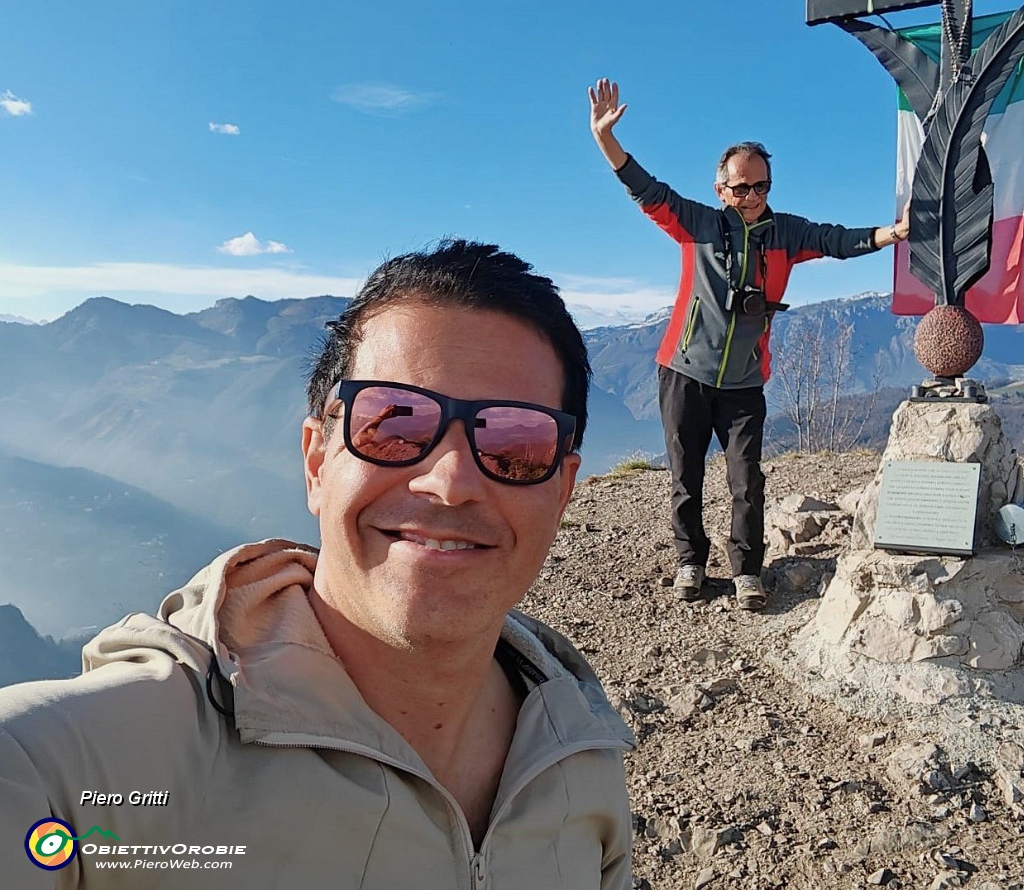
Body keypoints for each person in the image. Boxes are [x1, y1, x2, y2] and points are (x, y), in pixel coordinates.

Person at [0, 240, 635, 889]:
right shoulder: (101, 761)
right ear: (316, 462)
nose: (449, 481)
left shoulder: (579, 749)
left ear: (561, 491)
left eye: (515, 444)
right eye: (395, 423)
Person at [588, 78, 909, 611]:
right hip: (684, 371)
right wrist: (605, 139)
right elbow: (645, 188)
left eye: (761, 186)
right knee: (685, 476)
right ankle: (690, 564)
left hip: (743, 381)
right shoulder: (698, 224)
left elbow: (836, 240)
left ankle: (746, 571)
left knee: (747, 482)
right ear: (721, 190)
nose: (752, 197)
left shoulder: (784, 232)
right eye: (741, 188)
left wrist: (890, 234)